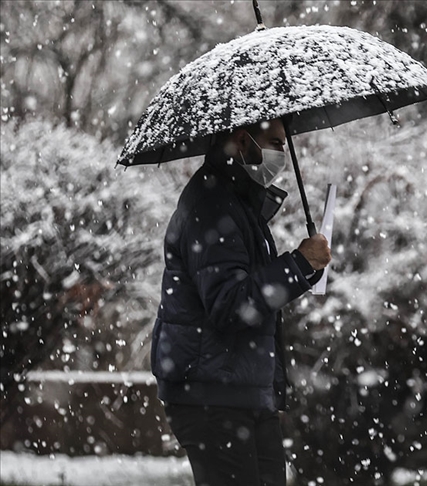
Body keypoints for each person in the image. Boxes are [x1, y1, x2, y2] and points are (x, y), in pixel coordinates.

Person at [150, 117, 331, 486]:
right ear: (242, 139)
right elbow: (230, 305)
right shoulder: (214, 204)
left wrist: (306, 268)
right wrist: (296, 265)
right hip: (214, 396)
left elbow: (247, 292)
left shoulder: (236, 201)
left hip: (238, 392)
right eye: (275, 142)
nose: (281, 153)